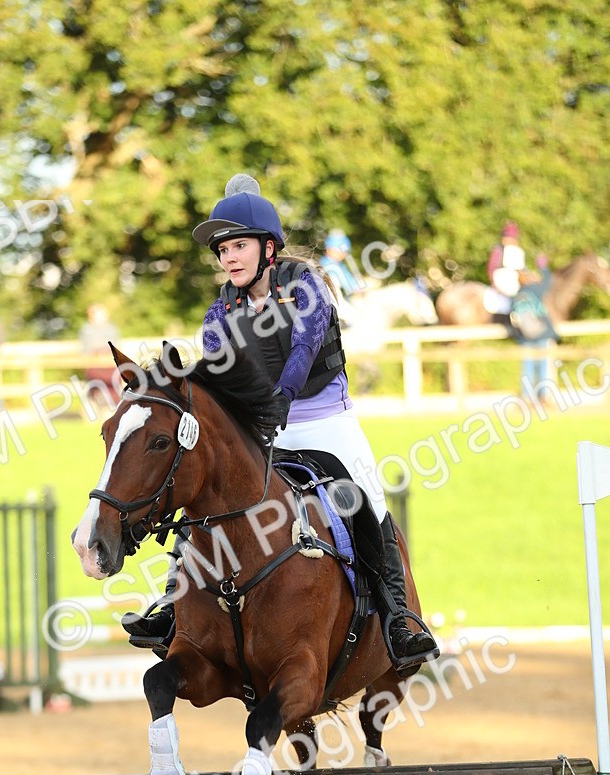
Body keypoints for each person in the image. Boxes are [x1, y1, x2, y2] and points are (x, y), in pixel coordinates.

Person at [123, 173, 437, 674]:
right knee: (202, 494)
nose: (229, 258)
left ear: (269, 249)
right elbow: (218, 378)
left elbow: (303, 351)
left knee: (368, 499)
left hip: (326, 420)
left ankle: (399, 617)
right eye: (223, 250)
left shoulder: (305, 286)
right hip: (263, 431)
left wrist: (279, 402)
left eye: (239, 246)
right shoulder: (218, 314)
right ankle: (171, 606)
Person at [510, 254, 558, 394]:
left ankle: (527, 396)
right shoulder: (536, 290)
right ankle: (543, 396)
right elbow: (549, 281)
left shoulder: (516, 295)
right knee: (543, 365)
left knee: (528, 367)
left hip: (525, 337)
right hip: (541, 334)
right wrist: (543, 267)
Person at [485, 222, 526, 317]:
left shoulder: (518, 252)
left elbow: (521, 269)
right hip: (500, 283)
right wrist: (494, 282)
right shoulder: (498, 251)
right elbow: (491, 268)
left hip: (515, 284)